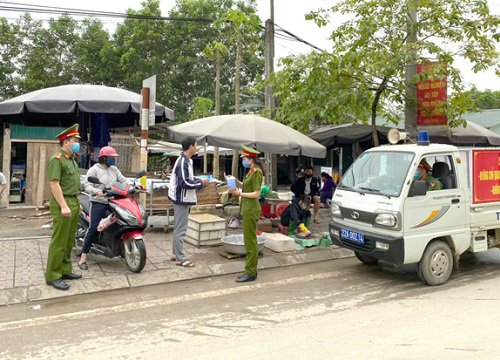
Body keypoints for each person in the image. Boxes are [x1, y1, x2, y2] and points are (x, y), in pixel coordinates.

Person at [45, 124, 83, 291]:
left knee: (69, 241)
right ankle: (53, 275)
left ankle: (65, 270)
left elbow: (72, 185)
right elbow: (54, 184)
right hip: (63, 203)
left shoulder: (72, 160)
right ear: (66, 142)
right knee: (59, 241)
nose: (77, 143)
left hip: (73, 201)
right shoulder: (56, 159)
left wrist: (77, 203)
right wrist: (63, 206)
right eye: (75, 140)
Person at [78, 146, 127, 270]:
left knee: (122, 221)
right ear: (104, 158)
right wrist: (96, 191)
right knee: (93, 228)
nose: (113, 160)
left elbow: (123, 180)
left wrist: (133, 186)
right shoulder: (94, 170)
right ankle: (83, 257)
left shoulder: (114, 169)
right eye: (112, 158)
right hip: (98, 202)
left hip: (113, 200)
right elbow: (87, 186)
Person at [168, 137, 209, 267]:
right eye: (196, 145)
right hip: (181, 199)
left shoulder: (187, 161)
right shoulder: (183, 162)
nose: (197, 148)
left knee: (178, 227)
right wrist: (201, 183)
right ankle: (180, 258)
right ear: (191, 146)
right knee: (181, 229)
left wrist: (197, 180)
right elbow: (184, 183)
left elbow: (188, 178)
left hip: (182, 198)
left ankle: (175, 254)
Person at [229, 145, 264, 283]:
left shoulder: (256, 172)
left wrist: (239, 193)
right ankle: (250, 270)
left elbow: (256, 193)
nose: (243, 160)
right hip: (247, 209)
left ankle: (251, 272)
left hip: (251, 210)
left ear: (250, 159)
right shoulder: (250, 171)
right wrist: (235, 181)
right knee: (249, 241)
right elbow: (245, 185)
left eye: (244, 158)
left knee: (250, 243)